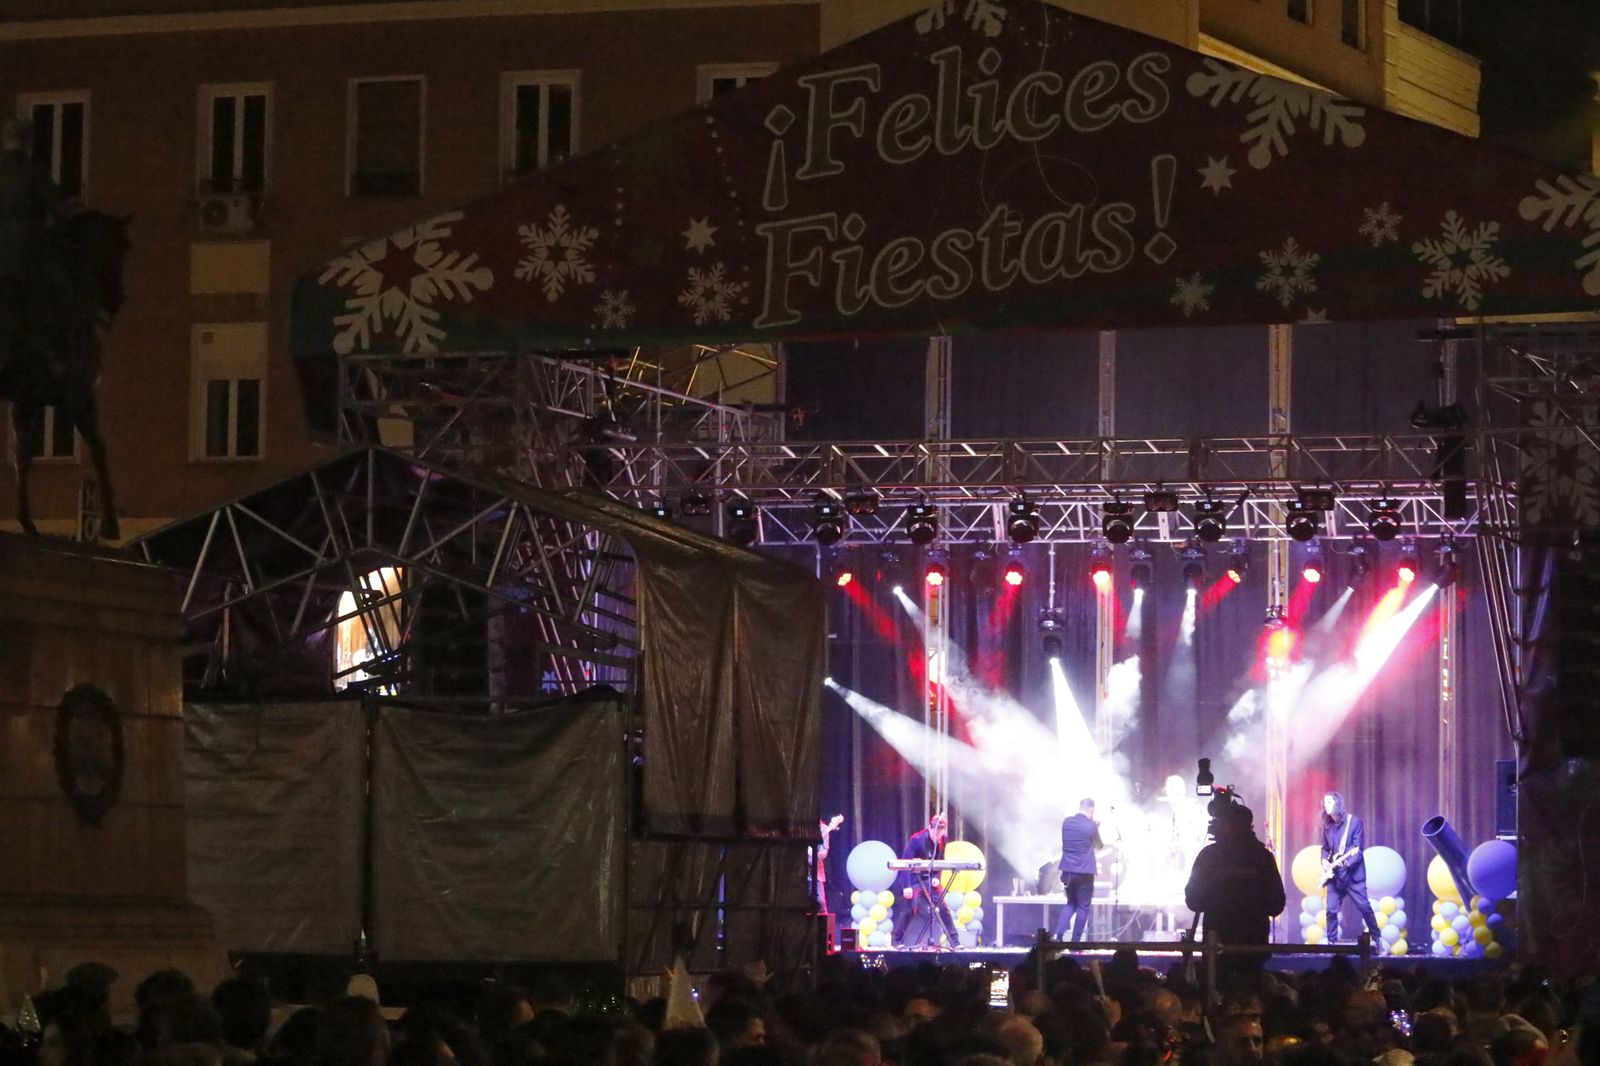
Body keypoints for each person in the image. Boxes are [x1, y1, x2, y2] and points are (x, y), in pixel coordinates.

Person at [1184, 793, 1286, 989]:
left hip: (1218, 946)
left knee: (1215, 996)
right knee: (1250, 996)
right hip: (1252, 947)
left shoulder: (1209, 856)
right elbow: (1276, 904)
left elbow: (1194, 900)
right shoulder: (1262, 857)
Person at [0, 115, 65, 374]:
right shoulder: (34, 171)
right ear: (26, 142)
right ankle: (54, 354)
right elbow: (58, 211)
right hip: (27, 256)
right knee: (60, 290)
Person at [892, 811, 961, 948]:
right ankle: (896, 941)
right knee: (910, 908)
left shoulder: (943, 840)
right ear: (929, 828)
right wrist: (906, 886)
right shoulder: (917, 840)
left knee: (943, 908)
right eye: (935, 832)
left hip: (929, 880)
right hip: (913, 879)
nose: (938, 835)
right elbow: (905, 863)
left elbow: (940, 861)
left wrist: (936, 877)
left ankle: (955, 942)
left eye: (940, 832)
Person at [1320, 791, 1382, 944]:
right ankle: (1331, 943)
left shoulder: (1354, 822)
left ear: (1337, 803)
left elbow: (1358, 850)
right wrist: (1324, 861)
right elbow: (1325, 848)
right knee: (1331, 911)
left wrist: (1346, 863)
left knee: (1364, 908)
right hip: (1335, 876)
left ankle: (1377, 939)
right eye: (1325, 803)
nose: (1326, 805)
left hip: (1352, 876)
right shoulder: (1328, 826)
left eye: (1329, 802)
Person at [1054, 798, 1103, 942]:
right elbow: (1099, 845)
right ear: (1091, 810)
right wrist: (1096, 827)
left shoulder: (1066, 822)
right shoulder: (1091, 825)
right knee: (1083, 906)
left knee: (1071, 904)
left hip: (1068, 872)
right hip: (1084, 872)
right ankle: (1075, 942)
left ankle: (1058, 936)